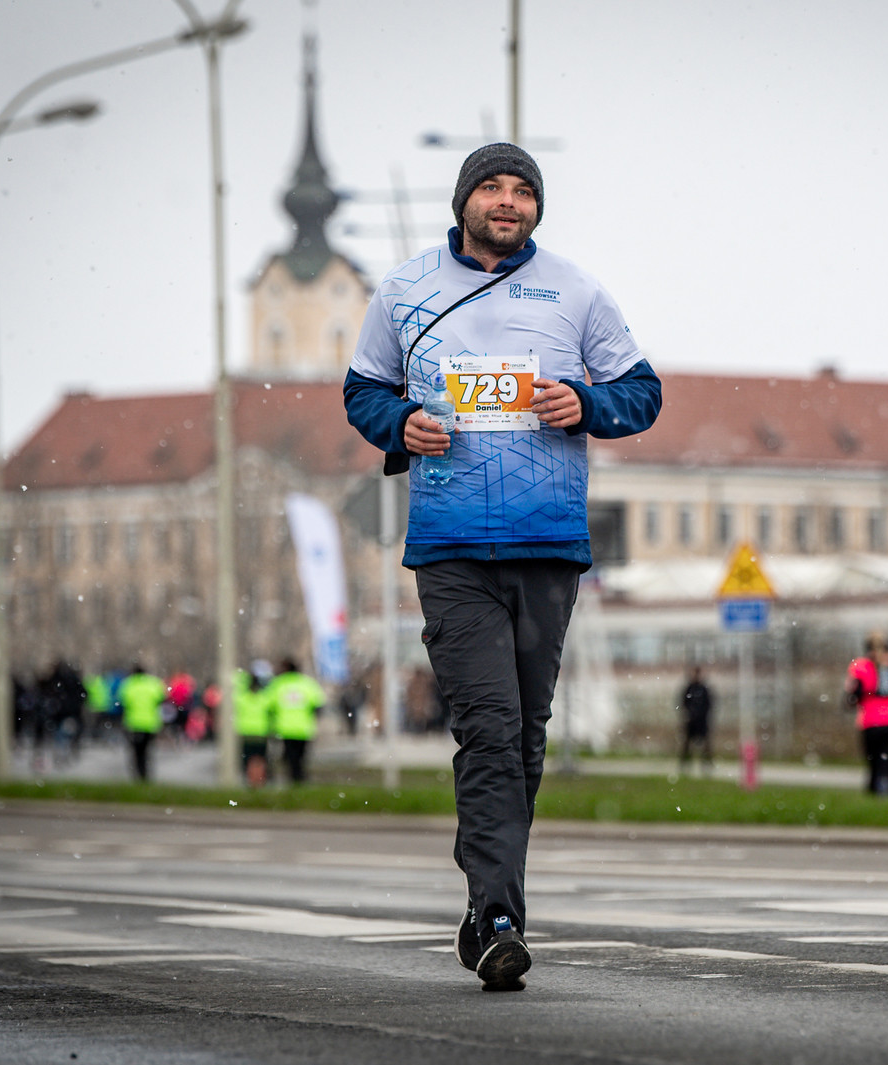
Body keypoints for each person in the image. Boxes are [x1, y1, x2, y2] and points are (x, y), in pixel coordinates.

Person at [343, 142, 662, 992]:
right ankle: (498, 918)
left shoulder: (575, 289)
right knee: (488, 727)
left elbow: (643, 392)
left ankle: (486, 901)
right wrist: (399, 424)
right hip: (450, 547)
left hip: (548, 543)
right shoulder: (404, 288)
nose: (508, 201)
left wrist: (586, 402)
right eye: (492, 187)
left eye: (523, 190)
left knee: (524, 734)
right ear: (464, 201)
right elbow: (363, 390)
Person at [844, 633, 888, 796]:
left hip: (871, 721)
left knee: (874, 761)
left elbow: (853, 696)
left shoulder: (860, 668)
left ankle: (874, 788)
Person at [267, 656, 324, 785]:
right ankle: (299, 777)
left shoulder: (278, 684)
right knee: (301, 755)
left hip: (285, 727)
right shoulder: (306, 683)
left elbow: (269, 705)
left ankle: (294, 777)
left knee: (291, 755)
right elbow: (318, 704)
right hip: (303, 727)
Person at [116, 663, 166, 782]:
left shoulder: (128, 684)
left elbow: (122, 701)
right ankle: (145, 773)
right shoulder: (153, 684)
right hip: (150, 723)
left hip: (133, 723)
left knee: (136, 750)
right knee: (147, 749)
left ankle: (138, 773)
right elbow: (161, 699)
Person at [234, 663, 273, 788]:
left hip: (246, 732)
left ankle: (251, 780)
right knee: (260, 758)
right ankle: (260, 780)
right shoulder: (264, 698)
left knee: (248, 759)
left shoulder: (242, 698)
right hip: (261, 732)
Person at [678, 666, 715, 776]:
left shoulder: (703, 689)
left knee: (706, 744)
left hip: (702, 721)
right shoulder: (689, 688)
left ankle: (707, 764)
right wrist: (689, 714)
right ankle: (685, 764)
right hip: (691, 721)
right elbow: (684, 703)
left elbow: (709, 704)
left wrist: (703, 715)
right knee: (687, 744)